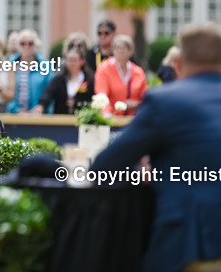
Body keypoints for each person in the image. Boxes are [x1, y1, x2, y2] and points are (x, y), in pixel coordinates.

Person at [92, 21, 221, 272]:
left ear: (179, 64)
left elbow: (104, 167)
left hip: (194, 244)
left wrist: (149, 172)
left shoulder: (166, 101)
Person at [32, 44, 95, 114]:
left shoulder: (89, 80)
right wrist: (41, 106)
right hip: (61, 119)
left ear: (82, 61)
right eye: (69, 60)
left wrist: (77, 103)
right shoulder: (59, 79)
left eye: (74, 60)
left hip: (83, 119)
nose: (72, 63)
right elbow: (48, 94)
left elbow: (94, 101)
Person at [2, 29, 53, 114]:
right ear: (18, 45)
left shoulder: (45, 65)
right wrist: (16, 110)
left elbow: (51, 90)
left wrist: (41, 106)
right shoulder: (10, 64)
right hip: (15, 116)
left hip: (40, 116)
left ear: (35, 45)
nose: (26, 46)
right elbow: (6, 91)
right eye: (23, 43)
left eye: (30, 43)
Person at [94, 34, 147, 116]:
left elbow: (145, 96)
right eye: (118, 48)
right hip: (111, 117)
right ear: (112, 50)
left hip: (134, 118)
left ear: (131, 51)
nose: (121, 51)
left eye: (125, 47)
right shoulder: (104, 69)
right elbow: (102, 95)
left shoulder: (138, 71)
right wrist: (107, 113)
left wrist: (136, 104)